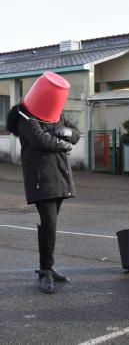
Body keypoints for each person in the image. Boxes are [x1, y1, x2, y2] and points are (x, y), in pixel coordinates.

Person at [6, 71, 80, 294]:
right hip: (40, 177)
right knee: (49, 222)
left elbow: (76, 133)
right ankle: (46, 270)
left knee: (51, 224)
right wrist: (64, 142)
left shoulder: (57, 114)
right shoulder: (24, 116)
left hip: (60, 174)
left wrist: (64, 131)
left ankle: (47, 267)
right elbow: (40, 139)